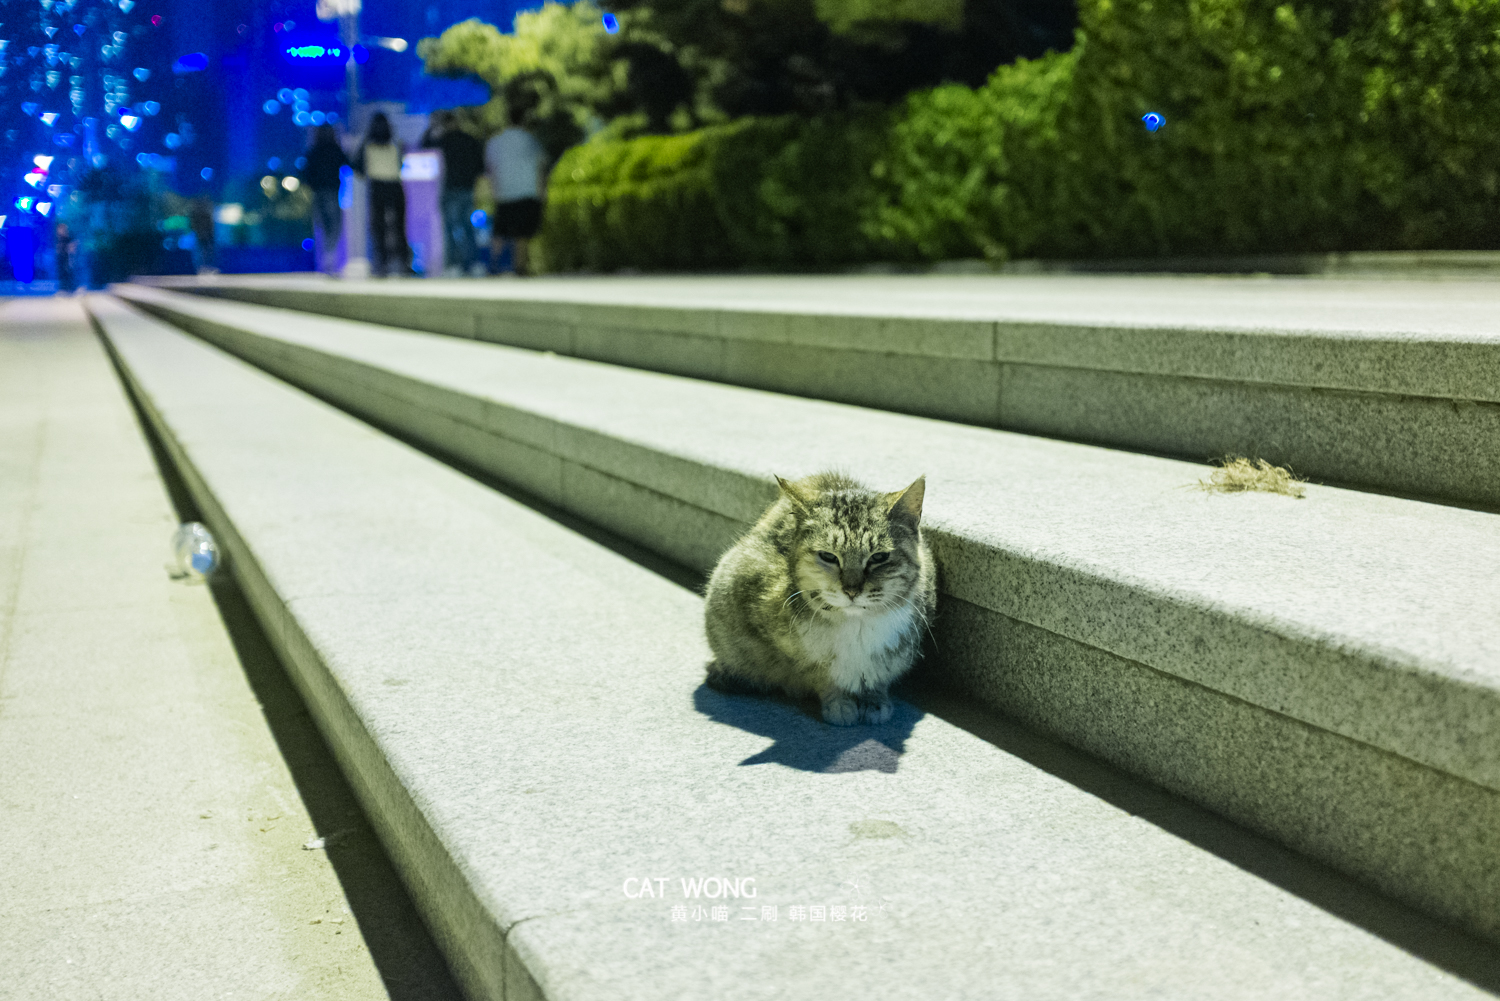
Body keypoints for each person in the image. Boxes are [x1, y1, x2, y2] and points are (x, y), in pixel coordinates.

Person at [484, 105, 547, 276]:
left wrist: (493, 191)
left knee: (500, 231)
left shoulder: (496, 141)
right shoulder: (531, 141)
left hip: (504, 192)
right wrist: (541, 192)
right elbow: (540, 167)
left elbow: (491, 169)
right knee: (522, 232)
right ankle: (520, 266)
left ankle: (493, 264)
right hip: (527, 191)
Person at [421, 110, 486, 277]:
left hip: (449, 188)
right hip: (467, 189)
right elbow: (481, 167)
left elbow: (424, 146)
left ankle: (454, 264)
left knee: (450, 228)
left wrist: (432, 127)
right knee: (468, 227)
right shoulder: (470, 140)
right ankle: (471, 263)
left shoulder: (443, 140)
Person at [353, 112, 413, 277]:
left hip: (377, 186)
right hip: (394, 184)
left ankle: (382, 263)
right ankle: (403, 262)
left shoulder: (367, 144)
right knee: (399, 226)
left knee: (379, 227)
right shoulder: (395, 142)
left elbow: (357, 168)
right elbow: (401, 164)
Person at [302, 125, 348, 275]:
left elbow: (305, 172)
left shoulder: (314, 151)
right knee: (334, 226)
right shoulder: (334, 149)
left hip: (317, 193)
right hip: (331, 192)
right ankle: (330, 259)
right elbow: (348, 163)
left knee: (322, 226)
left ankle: (325, 261)